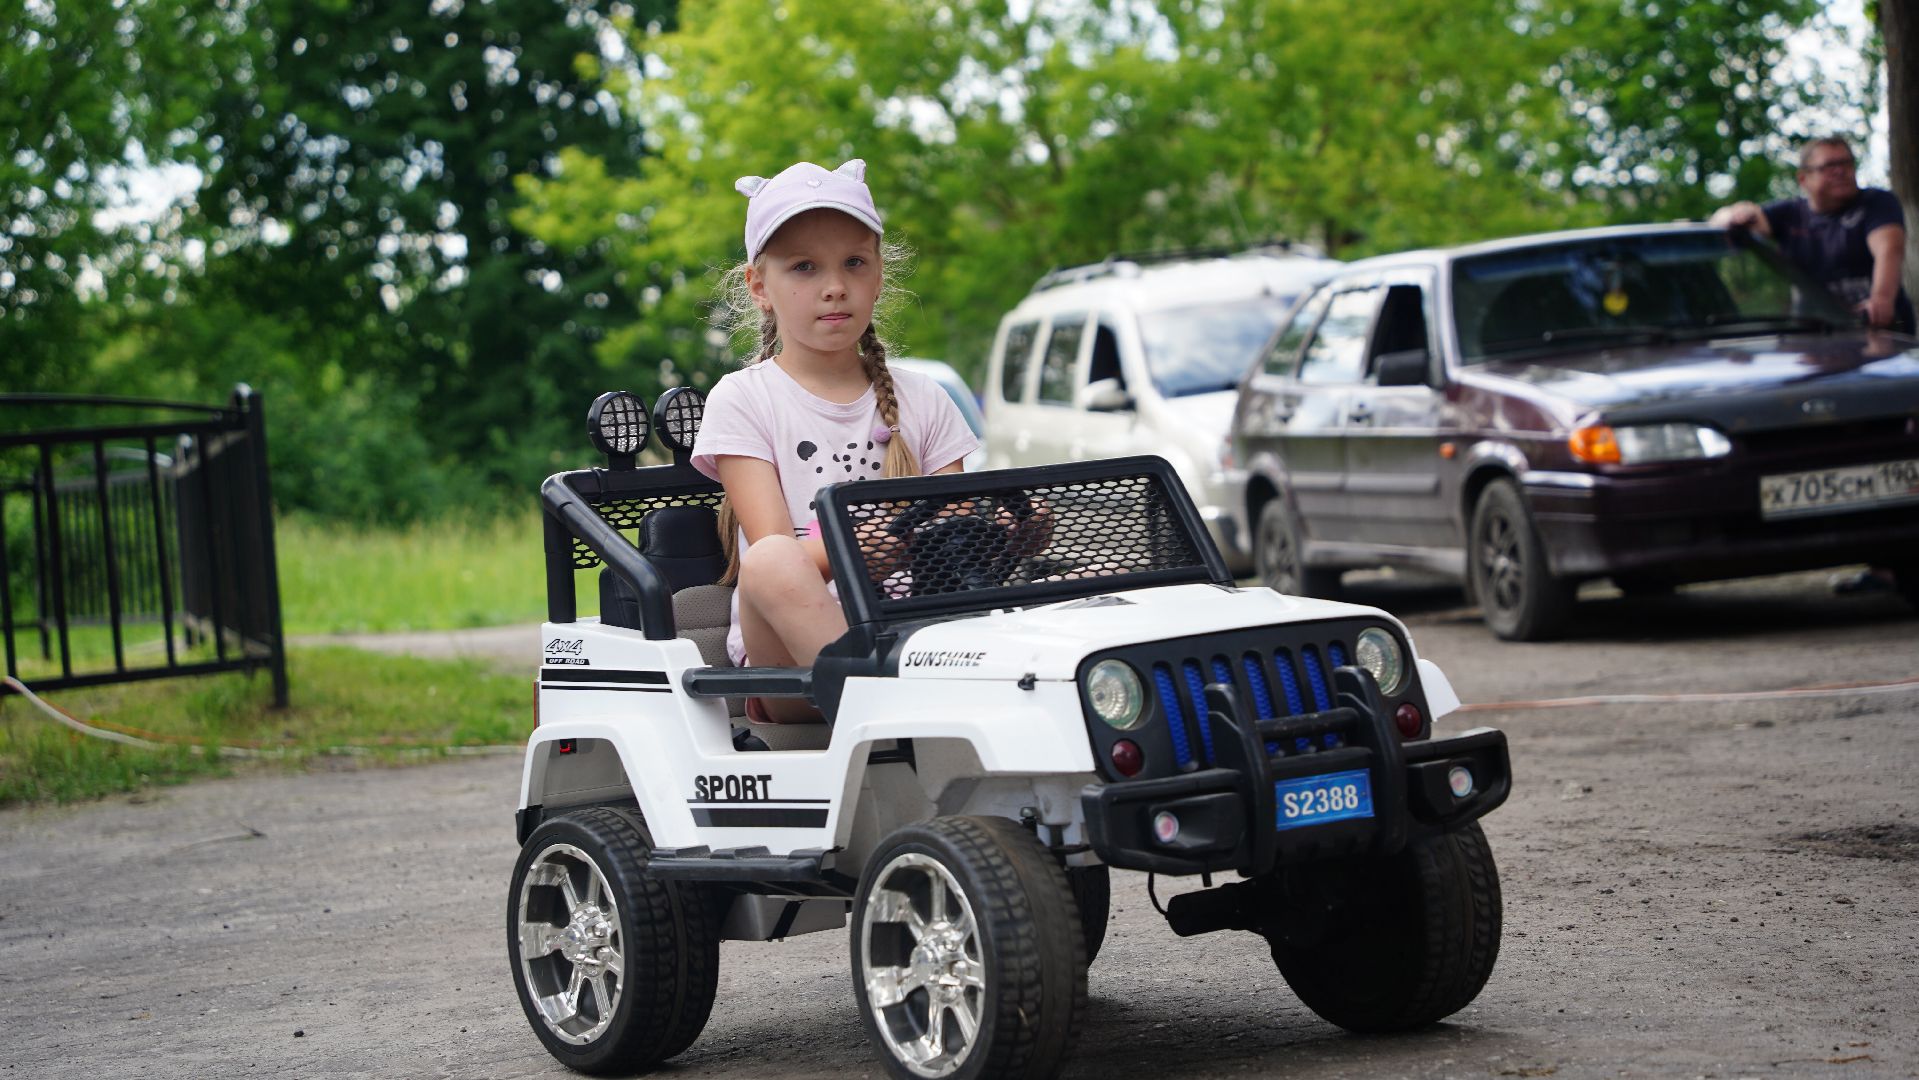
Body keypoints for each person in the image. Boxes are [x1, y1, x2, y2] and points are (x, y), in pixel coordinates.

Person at [688, 159, 980, 722]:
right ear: (759, 287)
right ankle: (890, 712)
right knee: (771, 560)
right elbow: (775, 564)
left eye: (853, 263)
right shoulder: (744, 399)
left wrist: (1012, 528)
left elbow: (956, 534)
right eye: (804, 267)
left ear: (878, 275)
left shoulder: (925, 400)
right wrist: (858, 550)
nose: (834, 287)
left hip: (918, 636)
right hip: (788, 666)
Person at [1710, 136, 1913, 333]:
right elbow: (1724, 220)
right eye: (1829, 166)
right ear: (1803, 178)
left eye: (1846, 163)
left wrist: (1881, 299)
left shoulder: (1876, 203)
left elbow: (1889, 249)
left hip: (1878, 331)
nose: (1840, 171)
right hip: (1814, 337)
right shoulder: (1790, 215)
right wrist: (1736, 214)